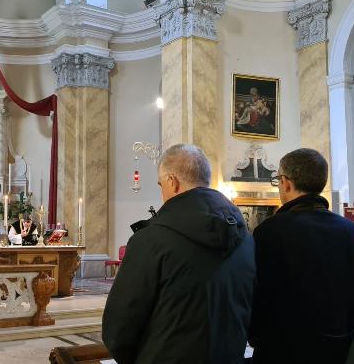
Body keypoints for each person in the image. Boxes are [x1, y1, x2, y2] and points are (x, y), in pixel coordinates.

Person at [102, 144, 256, 364]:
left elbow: (118, 330)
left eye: (160, 185)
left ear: (172, 182)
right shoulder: (246, 240)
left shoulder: (149, 241)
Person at [249, 148, 354, 364]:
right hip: (342, 351)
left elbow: (258, 294)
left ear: (285, 182)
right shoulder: (353, 232)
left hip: (283, 351)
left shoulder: (270, 231)